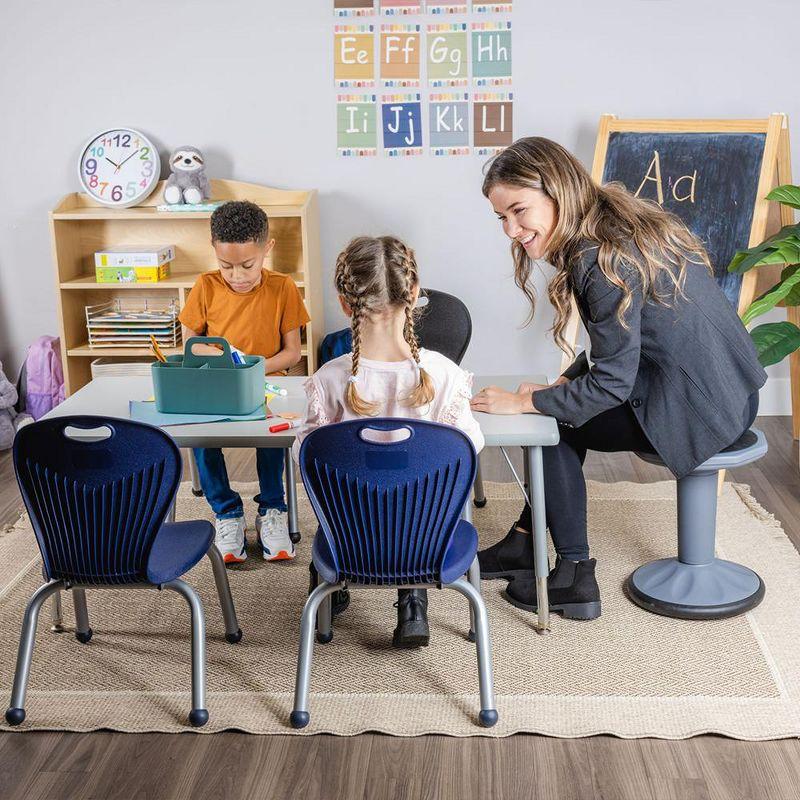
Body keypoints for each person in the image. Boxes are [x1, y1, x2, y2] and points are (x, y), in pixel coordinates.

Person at [470, 137, 766, 621]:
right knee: (557, 403)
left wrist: (528, 403)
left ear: (556, 192)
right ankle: (524, 545)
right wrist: (559, 384)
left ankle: (574, 577)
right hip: (732, 392)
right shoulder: (617, 226)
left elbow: (611, 385)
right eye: (502, 218)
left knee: (554, 426)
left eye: (519, 211)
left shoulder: (597, 260)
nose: (512, 230)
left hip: (698, 410)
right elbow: (621, 348)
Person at [293, 235, 484, 647]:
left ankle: (335, 585)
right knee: (416, 498)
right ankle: (413, 601)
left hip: (351, 541)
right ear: (414, 295)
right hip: (425, 543)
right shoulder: (446, 377)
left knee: (350, 496)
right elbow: (467, 455)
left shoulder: (329, 379)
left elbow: (305, 459)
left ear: (345, 303)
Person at [180, 200, 310, 564]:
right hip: (219, 383)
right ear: (214, 250)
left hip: (266, 382)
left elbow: (292, 354)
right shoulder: (205, 286)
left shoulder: (283, 288)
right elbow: (190, 344)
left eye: (247, 265)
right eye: (227, 266)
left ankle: (272, 510)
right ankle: (226, 512)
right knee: (204, 437)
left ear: (267, 249)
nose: (236, 275)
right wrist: (224, 362)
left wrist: (254, 369)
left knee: (271, 435)